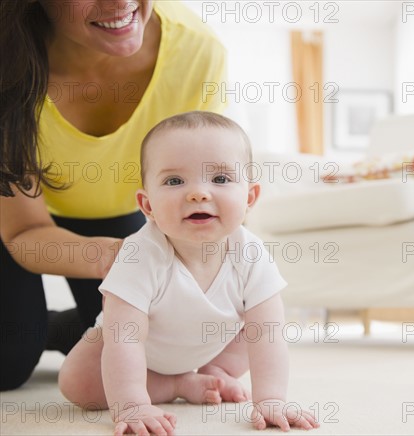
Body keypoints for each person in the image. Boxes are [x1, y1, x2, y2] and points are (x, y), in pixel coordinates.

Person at [0, 0, 226, 391]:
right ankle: (29, 332)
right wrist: (107, 256)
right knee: (9, 359)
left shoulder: (197, 52)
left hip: (112, 207)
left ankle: (50, 327)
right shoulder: (7, 58)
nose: (120, 3)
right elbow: (24, 231)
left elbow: (204, 194)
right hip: (14, 220)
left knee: (157, 346)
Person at [58, 111, 320, 435]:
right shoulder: (139, 255)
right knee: (76, 381)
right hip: (138, 351)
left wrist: (271, 399)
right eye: (174, 181)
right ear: (148, 205)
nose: (198, 193)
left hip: (210, 343)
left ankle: (217, 370)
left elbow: (268, 333)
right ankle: (175, 385)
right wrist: (131, 403)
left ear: (250, 197)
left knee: (258, 322)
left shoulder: (252, 255)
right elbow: (124, 339)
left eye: (220, 180)